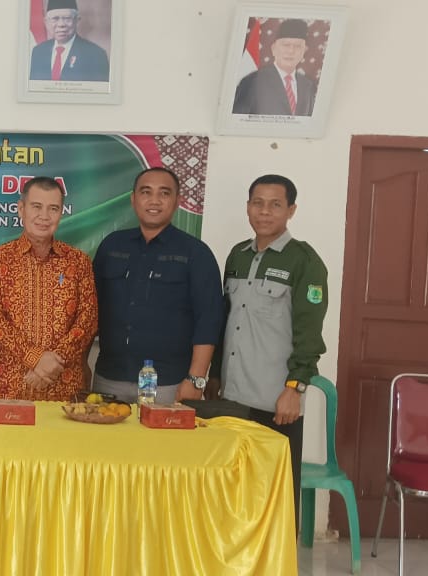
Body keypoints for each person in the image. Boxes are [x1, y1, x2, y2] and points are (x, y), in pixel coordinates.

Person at [217, 174, 328, 515]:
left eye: (275, 204)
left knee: (275, 499)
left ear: (291, 210)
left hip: (276, 401)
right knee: (232, 494)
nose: (264, 212)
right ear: (248, 207)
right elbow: (224, 321)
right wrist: (213, 378)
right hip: (231, 398)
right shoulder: (237, 256)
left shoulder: (304, 261)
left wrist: (295, 388)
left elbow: (309, 333)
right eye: (258, 203)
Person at [92, 167, 224, 404]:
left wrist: (196, 379)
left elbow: (209, 320)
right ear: (133, 199)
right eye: (146, 192)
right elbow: (89, 311)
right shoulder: (112, 246)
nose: (154, 200)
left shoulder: (196, 253)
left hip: (169, 383)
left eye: (164, 193)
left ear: (177, 201)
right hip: (110, 378)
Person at [0, 177, 97, 401]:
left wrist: (52, 363)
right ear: (21, 209)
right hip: (8, 388)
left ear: (61, 213)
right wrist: (35, 358)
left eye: (53, 208)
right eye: (36, 206)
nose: (44, 216)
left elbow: (87, 320)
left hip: (63, 388)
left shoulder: (78, 262)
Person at [232, 18, 316, 116]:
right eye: (286, 45)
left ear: (304, 51)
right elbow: (237, 119)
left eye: (297, 46)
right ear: (273, 49)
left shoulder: (307, 86)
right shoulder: (253, 82)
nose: (291, 51)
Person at [28, 0, 110, 82]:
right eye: (55, 19)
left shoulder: (96, 55)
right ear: (46, 22)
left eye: (67, 18)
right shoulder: (37, 52)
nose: (61, 24)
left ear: (77, 20)